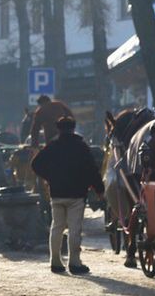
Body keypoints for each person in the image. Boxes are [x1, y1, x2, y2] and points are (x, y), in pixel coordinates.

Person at [31, 117, 104, 275]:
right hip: (77, 194)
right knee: (74, 229)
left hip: (57, 193)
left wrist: (49, 177)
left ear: (58, 129)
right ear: (73, 128)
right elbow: (92, 169)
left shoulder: (53, 146)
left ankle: (55, 262)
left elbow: (35, 164)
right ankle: (74, 263)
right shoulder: (81, 146)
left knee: (56, 227)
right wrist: (99, 189)